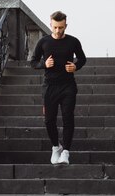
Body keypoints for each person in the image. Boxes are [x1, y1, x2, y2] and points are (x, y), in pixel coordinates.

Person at [30, 11, 87, 164]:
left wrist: (75, 66)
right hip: (50, 86)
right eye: (55, 27)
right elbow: (33, 61)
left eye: (61, 27)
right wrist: (44, 64)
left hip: (68, 86)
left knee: (68, 117)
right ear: (51, 25)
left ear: (65, 26)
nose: (58, 31)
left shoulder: (73, 41)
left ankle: (66, 152)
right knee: (49, 120)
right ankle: (56, 147)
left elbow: (82, 59)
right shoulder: (43, 42)